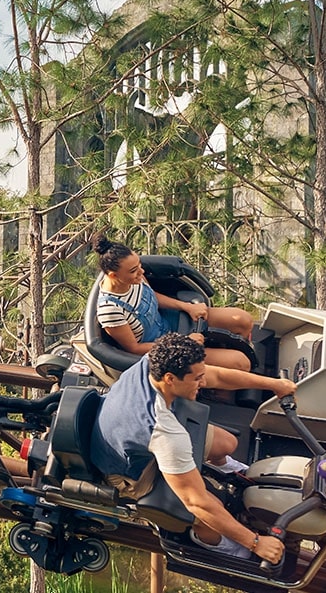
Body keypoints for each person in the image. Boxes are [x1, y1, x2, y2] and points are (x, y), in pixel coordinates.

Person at [90, 333, 295, 562]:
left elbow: (215, 376)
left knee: (228, 444)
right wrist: (256, 543)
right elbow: (196, 502)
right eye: (196, 379)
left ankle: (232, 473)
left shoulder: (155, 360)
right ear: (170, 379)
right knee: (206, 510)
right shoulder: (164, 432)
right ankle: (231, 549)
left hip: (135, 433)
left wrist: (274, 385)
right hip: (128, 471)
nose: (203, 383)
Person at [92, 236, 254, 370]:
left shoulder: (133, 279)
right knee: (240, 363)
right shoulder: (110, 310)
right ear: (113, 276)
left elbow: (151, 296)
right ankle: (218, 395)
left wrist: (187, 307)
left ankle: (226, 351)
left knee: (242, 319)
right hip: (159, 347)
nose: (141, 272)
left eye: (139, 265)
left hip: (168, 320)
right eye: (134, 271)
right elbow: (133, 349)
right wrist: (182, 343)